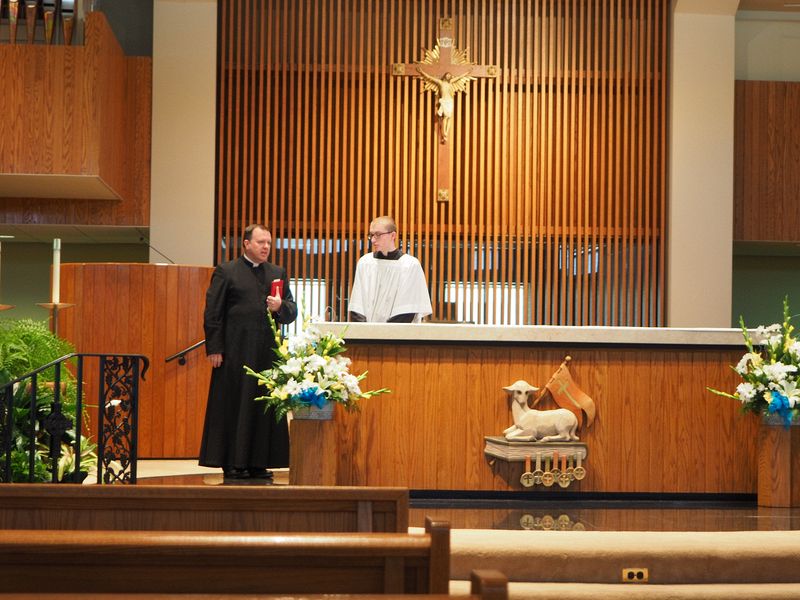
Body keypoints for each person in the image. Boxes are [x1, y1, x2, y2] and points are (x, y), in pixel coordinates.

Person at [199, 224, 297, 481]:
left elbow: (292, 311)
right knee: (234, 405)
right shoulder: (227, 271)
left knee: (262, 408)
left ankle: (259, 462)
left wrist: (280, 306)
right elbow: (213, 312)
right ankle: (232, 462)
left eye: (268, 242)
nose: (266, 247)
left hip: (266, 354)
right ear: (246, 244)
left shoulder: (277, 273)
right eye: (260, 242)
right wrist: (215, 348)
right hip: (234, 352)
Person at [349, 216, 432, 323]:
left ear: (393, 235)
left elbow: (407, 309)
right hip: (367, 335)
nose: (373, 240)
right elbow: (357, 304)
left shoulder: (410, 265)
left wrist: (385, 334)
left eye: (378, 235)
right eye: (371, 235)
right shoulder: (365, 263)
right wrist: (366, 333)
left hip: (397, 335)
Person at [416, 67, 473, 144]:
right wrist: (422, 71)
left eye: (450, 75)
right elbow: (430, 77)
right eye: (447, 75)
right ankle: (444, 133)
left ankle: (445, 134)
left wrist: (467, 73)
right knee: (445, 117)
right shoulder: (440, 82)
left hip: (450, 101)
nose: (448, 76)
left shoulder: (451, 82)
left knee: (449, 117)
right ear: (444, 76)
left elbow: (460, 77)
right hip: (445, 101)